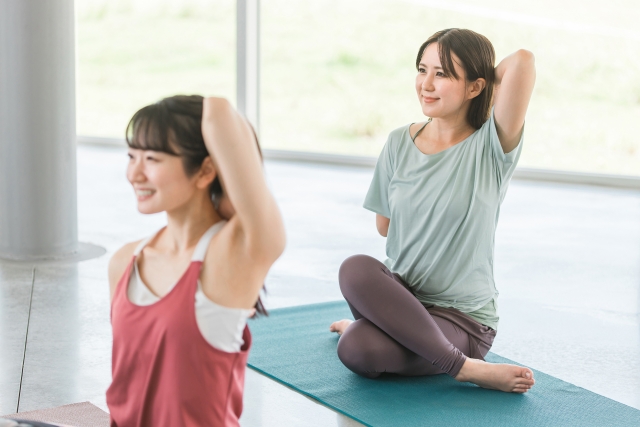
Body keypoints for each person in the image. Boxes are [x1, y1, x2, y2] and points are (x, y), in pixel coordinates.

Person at [329, 28, 536, 393]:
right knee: (354, 268)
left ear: (475, 86)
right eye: (421, 69)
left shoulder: (490, 145)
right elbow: (384, 227)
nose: (426, 84)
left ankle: (463, 364)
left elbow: (522, 62)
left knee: (357, 347)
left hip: (462, 321)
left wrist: (480, 78)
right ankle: (450, 360)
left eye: (441, 74)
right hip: (404, 299)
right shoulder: (398, 142)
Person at [106, 95, 286, 426]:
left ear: (205, 170)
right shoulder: (124, 262)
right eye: (132, 156)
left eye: (152, 159)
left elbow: (220, 113)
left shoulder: (234, 255)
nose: (134, 173)